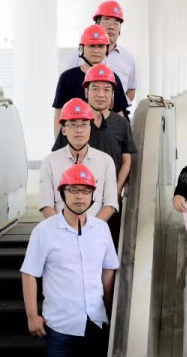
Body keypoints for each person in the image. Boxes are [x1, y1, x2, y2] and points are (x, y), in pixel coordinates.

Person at [21, 164, 118, 357]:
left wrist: (108, 309)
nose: (80, 196)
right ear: (62, 193)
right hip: (59, 326)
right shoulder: (44, 231)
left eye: (86, 191)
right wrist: (32, 316)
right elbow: (29, 273)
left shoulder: (101, 229)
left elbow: (108, 270)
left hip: (95, 322)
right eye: (73, 190)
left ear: (92, 196)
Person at [53, 64, 137, 198]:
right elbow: (59, 158)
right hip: (78, 198)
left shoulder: (122, 124)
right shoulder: (73, 123)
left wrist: (115, 192)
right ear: (86, 92)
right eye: (95, 89)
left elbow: (126, 161)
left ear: (112, 94)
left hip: (110, 196)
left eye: (107, 90)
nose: (101, 95)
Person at [40, 99, 118, 222]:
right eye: (73, 124)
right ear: (63, 130)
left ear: (90, 128)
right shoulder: (49, 162)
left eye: (84, 124)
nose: (79, 130)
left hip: (95, 229)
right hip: (59, 229)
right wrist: (62, 229)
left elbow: (110, 204)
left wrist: (92, 229)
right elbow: (46, 205)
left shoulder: (106, 161)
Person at [53, 26, 129, 136]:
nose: (96, 51)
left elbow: (120, 115)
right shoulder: (67, 78)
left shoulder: (113, 77)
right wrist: (59, 144)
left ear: (106, 49)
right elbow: (59, 116)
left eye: (101, 46)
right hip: (76, 139)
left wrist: (124, 144)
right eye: (92, 46)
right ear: (82, 48)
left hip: (106, 139)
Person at [65, 0, 138, 105]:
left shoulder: (128, 58)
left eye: (116, 23)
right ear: (97, 24)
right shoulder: (79, 56)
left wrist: (117, 108)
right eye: (106, 21)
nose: (111, 27)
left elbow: (131, 91)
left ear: (120, 29)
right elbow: (67, 89)